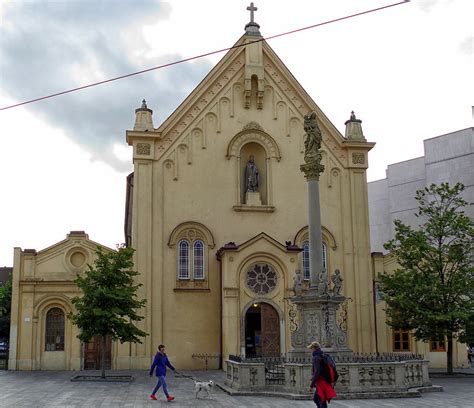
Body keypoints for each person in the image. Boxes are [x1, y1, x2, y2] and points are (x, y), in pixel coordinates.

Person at [308, 341, 336, 408]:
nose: (310, 350)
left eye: (311, 348)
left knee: (320, 400)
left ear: (314, 348)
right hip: (326, 380)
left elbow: (317, 372)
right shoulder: (324, 355)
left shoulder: (316, 358)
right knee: (318, 399)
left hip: (320, 382)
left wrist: (311, 385)